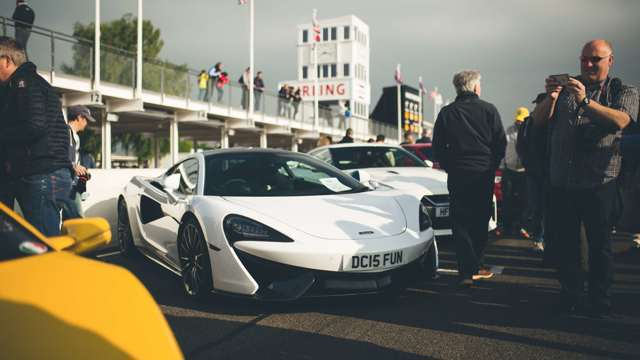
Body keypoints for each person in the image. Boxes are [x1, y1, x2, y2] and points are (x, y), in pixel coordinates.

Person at [531, 39, 638, 316]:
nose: (588, 65)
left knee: (599, 245)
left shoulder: (622, 91)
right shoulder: (567, 90)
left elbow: (621, 121)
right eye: (584, 60)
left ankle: (600, 298)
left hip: (600, 181)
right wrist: (552, 98)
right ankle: (571, 293)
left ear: (610, 61)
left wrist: (585, 101)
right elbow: (539, 121)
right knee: (566, 245)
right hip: (563, 183)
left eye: (596, 60)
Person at [432, 70, 506, 287]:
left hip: (458, 174)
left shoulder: (447, 113)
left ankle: (466, 270)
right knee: (480, 220)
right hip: (483, 173)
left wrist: (449, 166)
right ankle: (477, 265)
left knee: (460, 221)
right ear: (475, 87)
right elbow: (500, 142)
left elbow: (438, 147)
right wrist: (491, 165)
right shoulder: (489, 110)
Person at [0, 37, 73, 236]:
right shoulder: (24, 84)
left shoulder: (24, 84)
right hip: (45, 173)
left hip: (42, 174)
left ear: (6, 61)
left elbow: (34, 126)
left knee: (45, 245)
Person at [501, 107, 529, 237]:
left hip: (524, 171)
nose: (519, 123)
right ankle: (506, 227)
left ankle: (521, 226)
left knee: (523, 201)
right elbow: (502, 149)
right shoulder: (509, 131)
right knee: (507, 200)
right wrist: (502, 166)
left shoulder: (529, 131)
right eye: (518, 120)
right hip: (510, 170)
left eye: (522, 121)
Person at [65, 105, 96, 219]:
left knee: (69, 221)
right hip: (68, 185)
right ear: (79, 117)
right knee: (78, 219)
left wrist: (78, 167)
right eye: (86, 119)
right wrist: (73, 166)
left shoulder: (74, 136)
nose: (86, 123)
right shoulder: (66, 132)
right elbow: (59, 154)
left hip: (71, 183)